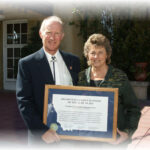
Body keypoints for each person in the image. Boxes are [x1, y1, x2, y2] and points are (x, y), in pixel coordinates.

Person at [16, 16, 80, 145]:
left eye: (57, 33)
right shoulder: (27, 64)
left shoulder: (73, 61)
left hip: (69, 134)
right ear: (41, 34)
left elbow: (80, 93)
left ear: (62, 36)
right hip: (43, 138)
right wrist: (42, 131)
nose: (52, 37)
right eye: (49, 33)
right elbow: (24, 101)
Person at [77, 33, 141, 146]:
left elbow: (134, 109)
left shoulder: (119, 77)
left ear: (107, 54)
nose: (96, 57)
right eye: (93, 53)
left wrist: (127, 133)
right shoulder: (80, 77)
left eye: (100, 52)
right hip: (86, 141)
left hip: (114, 142)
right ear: (87, 55)